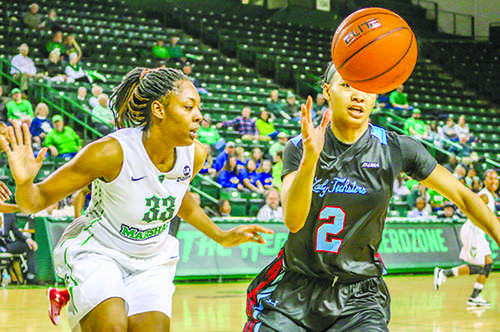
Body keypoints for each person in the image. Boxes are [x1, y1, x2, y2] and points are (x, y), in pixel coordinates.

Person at [0, 67, 272, 330]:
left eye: (199, 108)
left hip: (151, 258)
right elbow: (34, 202)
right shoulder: (110, 152)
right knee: (112, 326)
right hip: (99, 251)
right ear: (159, 110)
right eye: (188, 107)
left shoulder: (195, 154)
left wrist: (221, 236)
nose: (199, 116)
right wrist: (24, 183)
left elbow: (177, 198)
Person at [244, 62, 500, 332]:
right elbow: (293, 221)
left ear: (376, 96)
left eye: (367, 88)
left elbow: (462, 195)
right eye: (346, 85)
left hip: (359, 297)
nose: (358, 95)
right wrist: (310, 160)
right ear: (327, 91)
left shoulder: (396, 148)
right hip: (294, 291)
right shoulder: (300, 146)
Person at [434, 169, 499, 306]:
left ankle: (475, 296)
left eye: (496, 178)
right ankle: (444, 273)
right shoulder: (484, 196)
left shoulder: (490, 196)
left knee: (487, 264)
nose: (494, 181)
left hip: (479, 232)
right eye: (490, 178)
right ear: (484, 181)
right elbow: (469, 208)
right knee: (480, 266)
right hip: (473, 231)